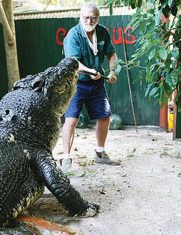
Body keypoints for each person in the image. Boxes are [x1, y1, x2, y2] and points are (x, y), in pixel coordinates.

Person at [57, 2, 121, 172]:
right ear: (81, 17)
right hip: (76, 83)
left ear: (98, 18)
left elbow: (112, 54)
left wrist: (113, 71)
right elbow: (73, 62)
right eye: (86, 17)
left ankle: (100, 153)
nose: (89, 20)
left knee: (105, 116)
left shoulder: (102, 32)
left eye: (93, 17)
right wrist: (90, 71)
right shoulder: (73, 35)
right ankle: (66, 157)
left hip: (97, 83)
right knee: (71, 120)